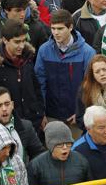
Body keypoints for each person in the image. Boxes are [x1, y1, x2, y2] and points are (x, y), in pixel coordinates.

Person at [35, 9, 95, 137]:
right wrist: (41, 113)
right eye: (53, 28)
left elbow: (90, 86)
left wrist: (80, 112)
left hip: (76, 118)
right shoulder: (44, 50)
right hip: (51, 116)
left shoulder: (87, 52)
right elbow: (39, 83)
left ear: (70, 27)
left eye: (60, 29)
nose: (56, 33)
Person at [0, 19, 46, 133]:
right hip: (7, 126)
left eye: (23, 41)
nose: (21, 46)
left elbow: (36, 88)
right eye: (17, 42)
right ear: (5, 40)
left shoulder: (28, 57)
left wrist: (40, 114)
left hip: (33, 123)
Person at [75, 55, 106, 135]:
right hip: (93, 136)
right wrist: (102, 119)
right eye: (97, 72)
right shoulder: (85, 90)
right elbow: (80, 120)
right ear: (92, 75)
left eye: (104, 70)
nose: (102, 74)